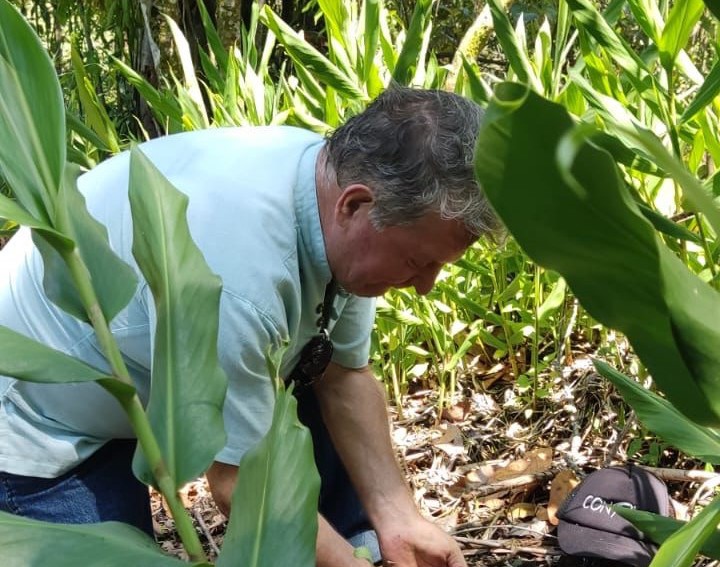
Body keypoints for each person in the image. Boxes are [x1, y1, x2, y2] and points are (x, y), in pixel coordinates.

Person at [0, 86, 498, 566]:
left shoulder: (331, 187)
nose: (425, 286)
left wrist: (401, 519)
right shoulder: (237, 277)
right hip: (40, 423)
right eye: (416, 262)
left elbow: (342, 375)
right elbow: (240, 483)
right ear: (355, 205)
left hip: (137, 383)